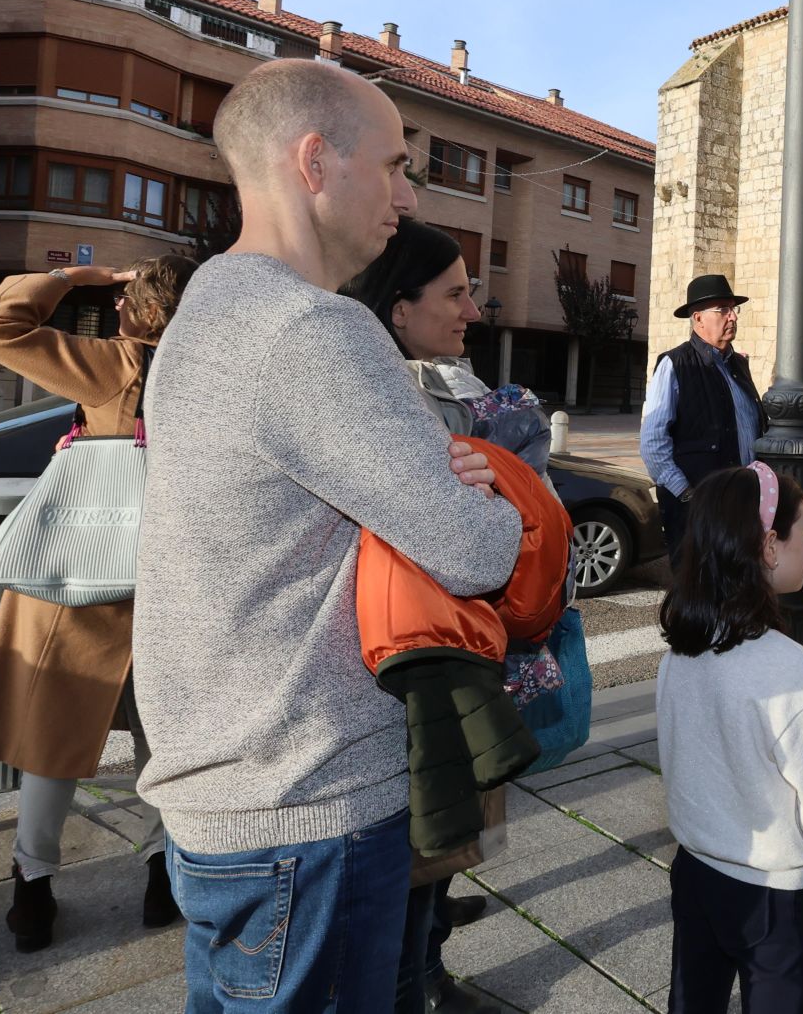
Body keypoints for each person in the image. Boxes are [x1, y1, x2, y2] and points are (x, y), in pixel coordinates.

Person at [132, 59, 524, 1013]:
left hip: (231, 795)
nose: (406, 196)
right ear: (314, 160)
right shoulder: (312, 331)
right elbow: (476, 550)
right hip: (307, 808)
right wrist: (497, 496)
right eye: (392, 166)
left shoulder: (208, 310)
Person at [0, 254, 196, 951]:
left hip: (86, 576)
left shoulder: (115, 364)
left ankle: (32, 889)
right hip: (175, 581)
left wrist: (71, 279)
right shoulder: (214, 374)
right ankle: (161, 875)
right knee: (166, 737)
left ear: (141, 310)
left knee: (50, 737)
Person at [344, 218, 524, 1014]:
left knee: (435, 840)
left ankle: (425, 967)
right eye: (454, 293)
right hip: (415, 664)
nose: (473, 310)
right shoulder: (389, 404)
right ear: (397, 307)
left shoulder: (438, 385)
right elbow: (474, 543)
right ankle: (417, 985)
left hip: (438, 653)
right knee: (426, 833)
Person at [657, 462, 803, 1014]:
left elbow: (678, 757)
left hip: (695, 868)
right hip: (770, 889)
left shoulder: (680, 648)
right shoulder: (789, 667)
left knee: (692, 998)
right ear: (770, 545)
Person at [640, 274, 767, 560]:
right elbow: (652, 443)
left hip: (741, 502)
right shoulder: (675, 364)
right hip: (696, 510)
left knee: (739, 588)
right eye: (723, 309)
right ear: (698, 319)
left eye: (734, 308)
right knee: (697, 591)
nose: (732, 316)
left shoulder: (739, 365)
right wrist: (687, 495)